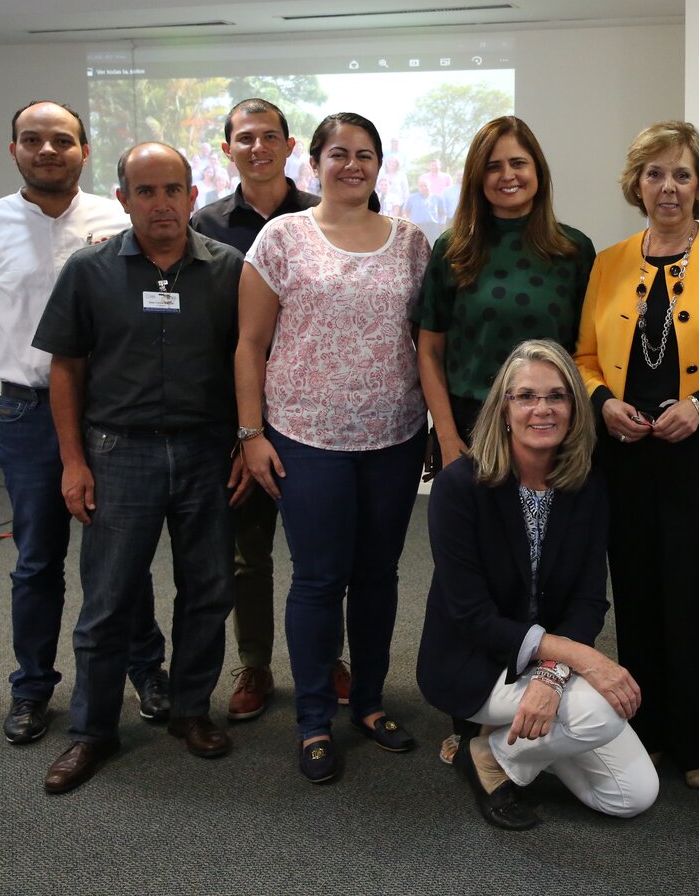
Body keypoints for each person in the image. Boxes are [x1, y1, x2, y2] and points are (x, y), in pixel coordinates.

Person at [0, 100, 168, 745]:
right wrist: (20, 364)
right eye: (32, 140)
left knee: (124, 557)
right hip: (30, 414)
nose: (47, 150)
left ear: (84, 151)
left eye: (61, 140)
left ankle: (147, 670)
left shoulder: (115, 216)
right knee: (38, 560)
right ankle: (33, 687)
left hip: (114, 412)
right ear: (13, 150)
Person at [32, 142, 246, 794]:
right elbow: (64, 369)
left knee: (209, 591)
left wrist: (245, 439)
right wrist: (73, 461)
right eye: (146, 191)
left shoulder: (231, 270)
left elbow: (252, 358)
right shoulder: (89, 270)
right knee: (108, 601)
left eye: (173, 189)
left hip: (208, 452)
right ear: (123, 199)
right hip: (119, 454)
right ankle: (91, 733)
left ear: (191, 194)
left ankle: (190, 711)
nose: (161, 204)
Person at [575, 120, 699, 789]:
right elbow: (581, 357)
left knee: (693, 593)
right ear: (638, 183)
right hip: (625, 452)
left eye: (682, 174)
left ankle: (696, 736)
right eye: (656, 173)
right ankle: (646, 729)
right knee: (635, 591)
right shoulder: (608, 262)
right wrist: (603, 401)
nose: (669, 186)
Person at [236, 112, 432, 784]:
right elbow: (250, 345)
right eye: (339, 153)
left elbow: (425, 344)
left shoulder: (411, 241)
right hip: (305, 438)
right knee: (319, 581)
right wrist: (251, 433)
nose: (353, 165)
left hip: (394, 438)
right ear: (313, 161)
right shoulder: (281, 238)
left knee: (378, 577)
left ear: (381, 166)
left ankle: (370, 704)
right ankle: (315, 716)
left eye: (366, 155)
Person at [418, 339, 658, 829]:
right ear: (503, 408)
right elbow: (471, 616)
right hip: (475, 663)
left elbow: (589, 600)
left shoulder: (586, 484)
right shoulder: (459, 487)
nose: (542, 409)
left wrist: (550, 676)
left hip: (547, 659)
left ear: (574, 407)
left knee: (631, 795)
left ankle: (492, 744)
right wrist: (581, 660)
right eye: (525, 396)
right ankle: (492, 758)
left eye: (557, 396)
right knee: (604, 712)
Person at [191, 98, 354, 723]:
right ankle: (254, 662)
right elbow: (216, 337)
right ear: (227, 148)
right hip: (242, 422)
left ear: (291, 148)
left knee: (325, 553)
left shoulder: (326, 216)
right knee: (246, 554)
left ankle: (327, 658)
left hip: (315, 423)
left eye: (269, 138)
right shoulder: (202, 225)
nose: (257, 148)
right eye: (244, 138)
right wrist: (241, 430)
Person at [418, 116, 595, 473]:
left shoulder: (573, 249)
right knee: (476, 528)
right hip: (471, 424)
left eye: (518, 163)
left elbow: (588, 352)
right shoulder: (452, 249)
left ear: (538, 171)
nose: (507, 175)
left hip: (552, 422)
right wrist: (446, 434)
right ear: (477, 178)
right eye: (493, 166)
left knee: (550, 528)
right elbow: (429, 351)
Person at [405, 178, 447, 244]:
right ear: (418, 187)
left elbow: (442, 213)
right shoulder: (412, 198)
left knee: (433, 246)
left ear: (430, 186)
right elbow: (406, 211)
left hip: (433, 228)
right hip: (417, 227)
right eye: (421, 186)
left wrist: (442, 228)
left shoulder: (437, 198)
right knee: (416, 247)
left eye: (426, 186)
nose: (424, 188)